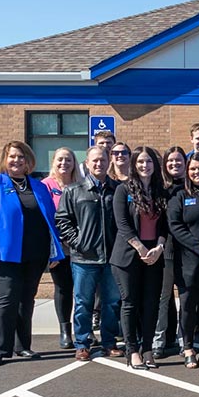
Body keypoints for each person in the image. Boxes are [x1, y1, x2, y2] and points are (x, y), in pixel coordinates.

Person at [0, 141, 65, 367]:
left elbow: (50, 221)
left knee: (26, 300)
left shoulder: (38, 187)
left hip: (34, 254)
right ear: (5, 159)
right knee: (8, 298)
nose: (17, 160)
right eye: (12, 156)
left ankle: (22, 346)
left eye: (21, 157)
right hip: (3, 255)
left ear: (28, 161)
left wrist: (54, 253)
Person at [55, 146, 124, 361]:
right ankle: (83, 343)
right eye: (94, 161)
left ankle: (109, 341)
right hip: (84, 258)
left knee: (111, 303)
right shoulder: (74, 191)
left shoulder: (119, 190)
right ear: (86, 163)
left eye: (103, 160)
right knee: (83, 302)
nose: (99, 164)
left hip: (112, 257)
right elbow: (62, 220)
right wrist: (78, 242)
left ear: (109, 162)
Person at [111, 147, 169, 370]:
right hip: (128, 257)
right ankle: (132, 350)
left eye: (149, 162)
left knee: (151, 304)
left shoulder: (160, 191)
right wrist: (140, 248)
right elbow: (123, 224)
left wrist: (159, 247)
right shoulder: (123, 190)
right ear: (134, 165)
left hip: (154, 256)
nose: (145, 166)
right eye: (141, 162)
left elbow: (165, 225)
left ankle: (147, 350)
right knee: (130, 303)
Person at [167, 151, 199, 369]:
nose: (197, 172)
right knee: (187, 305)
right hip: (187, 259)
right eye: (193, 169)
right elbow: (175, 225)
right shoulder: (180, 194)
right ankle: (188, 347)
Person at [42, 147, 80, 349]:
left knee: (83, 290)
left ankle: (84, 330)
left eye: (68, 160)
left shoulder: (80, 185)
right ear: (53, 163)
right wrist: (55, 246)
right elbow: (44, 218)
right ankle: (65, 331)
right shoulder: (45, 186)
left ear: (74, 163)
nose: (64, 163)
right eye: (60, 160)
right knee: (64, 289)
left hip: (80, 247)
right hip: (58, 249)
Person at [153, 146, 186, 358]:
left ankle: (185, 340)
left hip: (188, 252)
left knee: (185, 299)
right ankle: (159, 340)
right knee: (163, 298)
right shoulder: (160, 189)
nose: (174, 164)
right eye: (170, 161)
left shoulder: (192, 187)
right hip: (165, 251)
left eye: (179, 161)